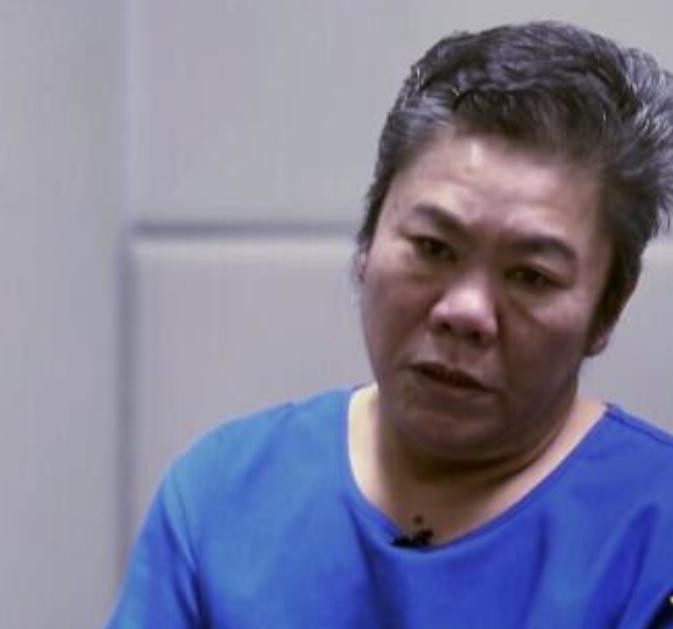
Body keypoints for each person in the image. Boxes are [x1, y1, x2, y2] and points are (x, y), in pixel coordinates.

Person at [107, 21, 673, 628]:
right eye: (433, 248)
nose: (465, 313)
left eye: (531, 276)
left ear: (607, 309)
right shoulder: (223, 497)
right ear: (367, 242)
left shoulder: (653, 535)